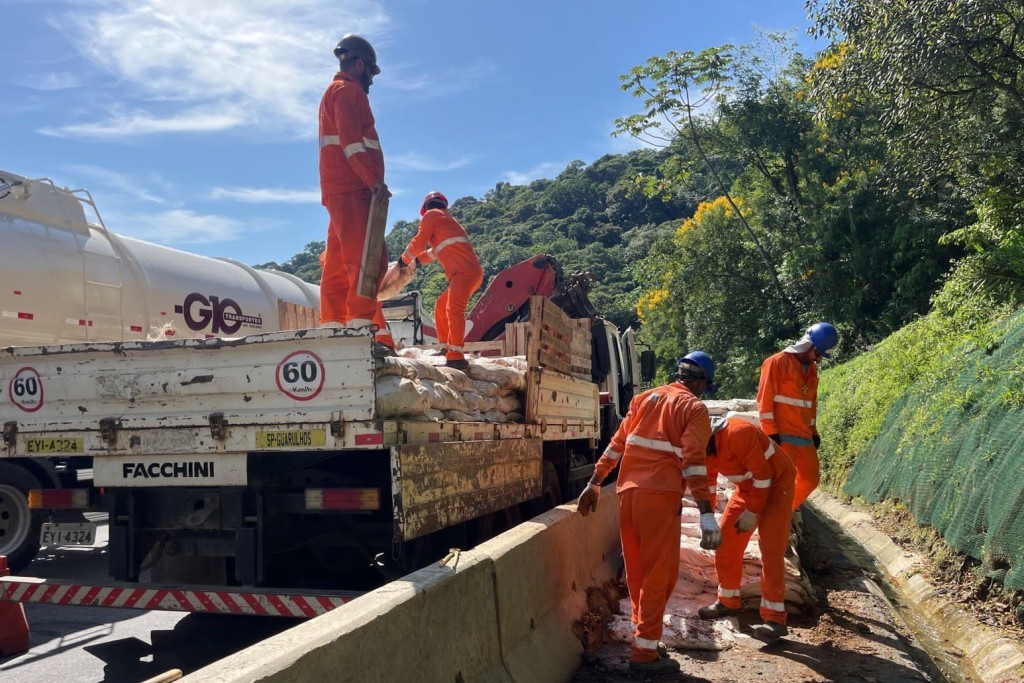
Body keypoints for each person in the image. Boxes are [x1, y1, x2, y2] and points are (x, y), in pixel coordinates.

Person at [577, 351, 723, 674]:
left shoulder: (645, 399)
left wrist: (595, 481)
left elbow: (617, 443)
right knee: (661, 573)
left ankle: (645, 637)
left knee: (639, 570)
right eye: (705, 387)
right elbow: (694, 461)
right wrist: (706, 512)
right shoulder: (693, 408)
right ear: (700, 382)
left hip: (627, 494)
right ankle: (644, 654)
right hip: (660, 496)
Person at [318, 34, 396, 356]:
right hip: (355, 188)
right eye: (371, 74)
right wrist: (373, 181)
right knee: (368, 261)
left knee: (337, 265)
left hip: (338, 189)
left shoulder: (332, 92)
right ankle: (363, 331)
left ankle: (333, 329)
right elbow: (353, 143)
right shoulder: (349, 91)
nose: (371, 82)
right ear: (360, 64)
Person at [697, 414, 796, 640]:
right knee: (726, 542)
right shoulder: (702, 450)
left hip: (776, 484)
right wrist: (708, 518)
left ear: (708, 436)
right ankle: (728, 601)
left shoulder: (738, 433)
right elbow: (708, 485)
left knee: (771, 550)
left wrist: (752, 513)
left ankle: (775, 619)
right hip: (748, 488)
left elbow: (764, 476)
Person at [756, 322, 838, 509]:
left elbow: (811, 404)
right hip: (781, 435)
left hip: (803, 435)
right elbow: (764, 399)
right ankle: (774, 517)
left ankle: (784, 511)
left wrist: (813, 431)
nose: (818, 360)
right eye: (818, 353)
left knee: (810, 479)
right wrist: (770, 432)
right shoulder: (777, 362)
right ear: (808, 344)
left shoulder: (812, 370)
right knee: (782, 482)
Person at [399, 191, 484, 370]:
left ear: (425, 209)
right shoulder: (448, 224)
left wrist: (403, 262)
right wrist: (416, 262)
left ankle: (455, 355)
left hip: (463, 274)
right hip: (469, 274)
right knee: (440, 305)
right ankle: (446, 347)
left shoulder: (432, 216)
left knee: (454, 310)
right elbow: (432, 253)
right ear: (443, 204)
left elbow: (419, 242)